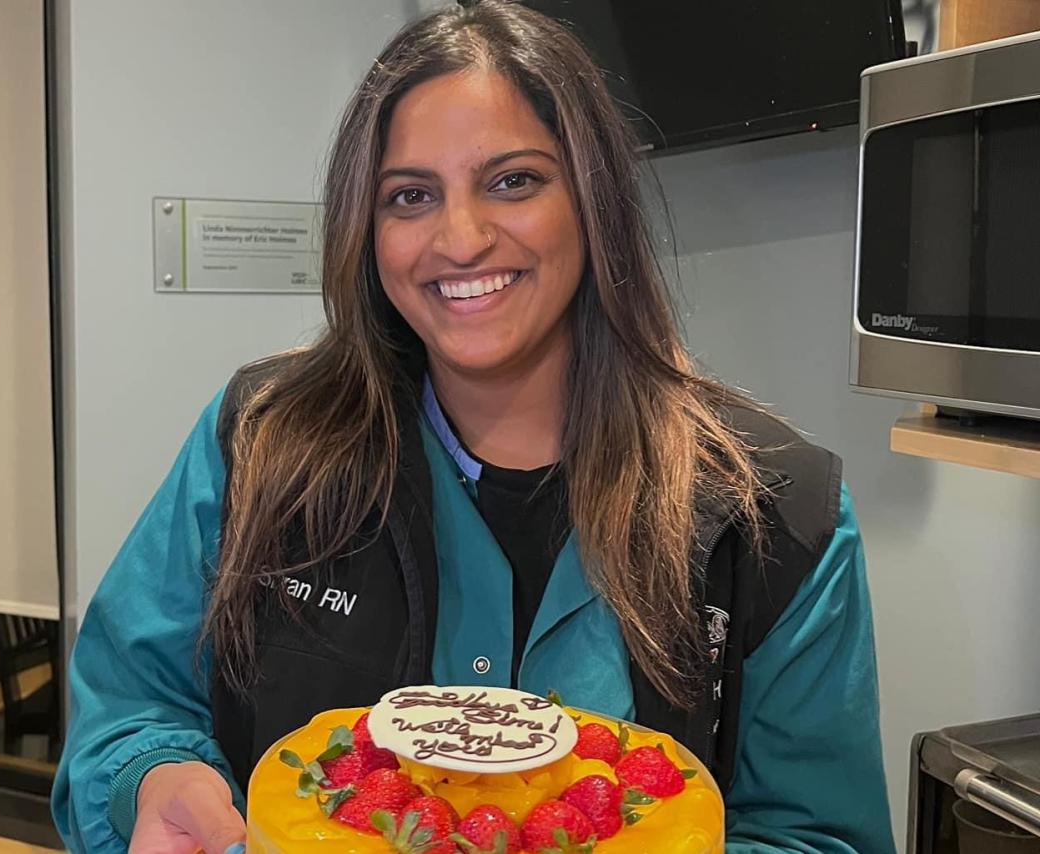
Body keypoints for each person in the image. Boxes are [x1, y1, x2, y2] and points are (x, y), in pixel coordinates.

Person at [51, 2, 895, 852]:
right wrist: (154, 777)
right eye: (410, 196)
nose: (460, 238)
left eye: (513, 181)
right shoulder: (260, 442)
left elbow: (818, 835)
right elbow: (131, 704)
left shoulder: (778, 513)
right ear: (366, 229)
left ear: (592, 200)